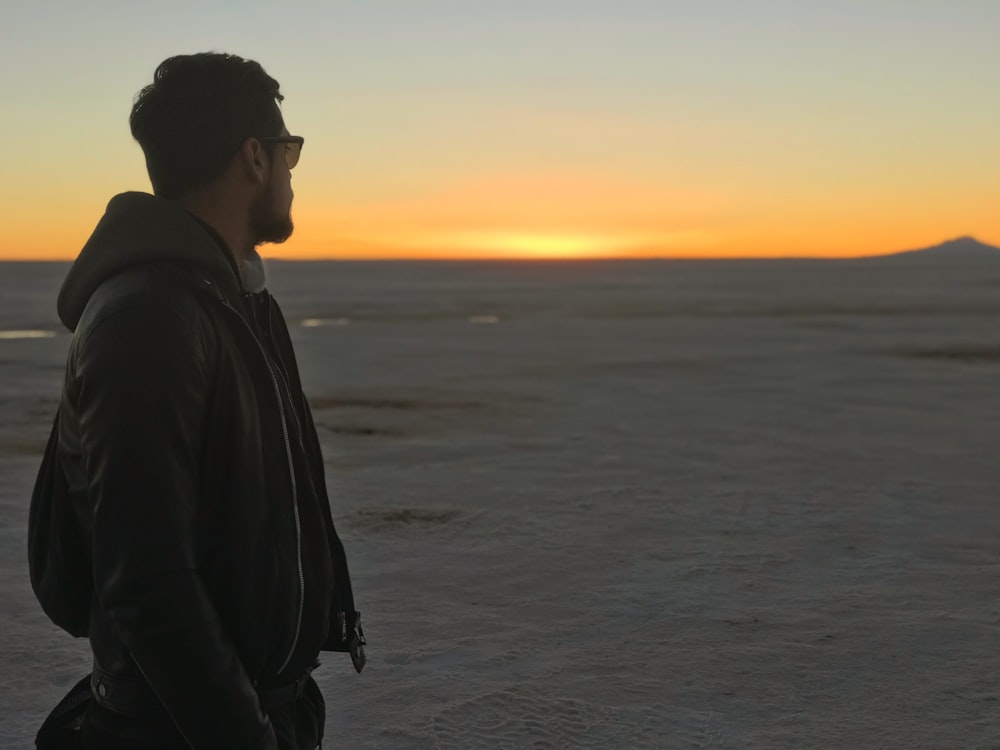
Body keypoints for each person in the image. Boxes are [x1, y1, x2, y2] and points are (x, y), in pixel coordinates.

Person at [29, 52, 365, 750]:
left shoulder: (232, 302)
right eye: (289, 153)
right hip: (179, 732)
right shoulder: (148, 318)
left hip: (252, 710)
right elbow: (148, 581)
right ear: (253, 157)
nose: (294, 175)